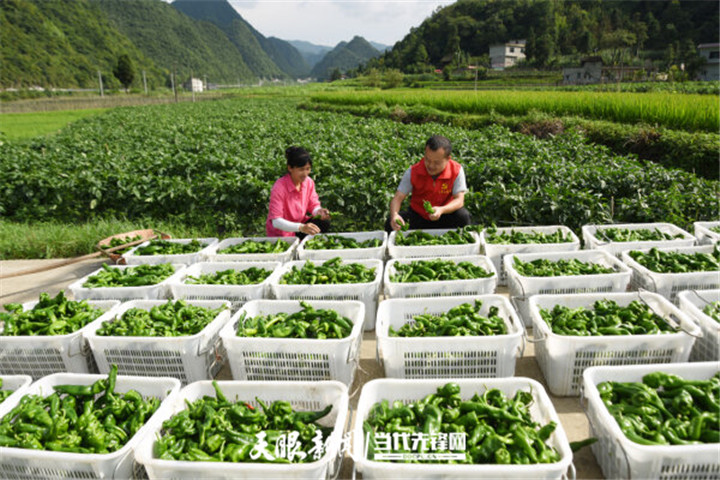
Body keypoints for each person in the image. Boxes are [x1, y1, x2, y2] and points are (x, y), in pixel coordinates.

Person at [385, 135, 472, 232]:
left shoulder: (456, 170)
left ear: (448, 159)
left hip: (445, 215)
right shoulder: (413, 171)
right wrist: (395, 215)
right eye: (427, 160)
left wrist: (441, 210)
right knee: (391, 223)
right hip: (419, 216)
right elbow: (398, 198)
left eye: (436, 163)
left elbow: (459, 200)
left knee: (463, 217)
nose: (431, 165)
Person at [266, 146, 330, 238]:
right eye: (301, 169)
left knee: (324, 222)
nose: (305, 173)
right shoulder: (279, 187)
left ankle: (305, 244)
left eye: (307, 169)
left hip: (300, 226)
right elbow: (276, 221)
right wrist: (301, 227)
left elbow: (313, 205)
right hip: (283, 232)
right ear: (290, 168)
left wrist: (319, 212)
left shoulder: (308, 182)